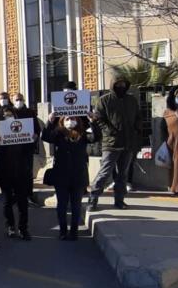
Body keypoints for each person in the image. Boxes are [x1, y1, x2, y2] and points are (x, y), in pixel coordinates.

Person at [42, 112, 100, 239]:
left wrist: (93, 122)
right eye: (67, 118)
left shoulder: (83, 134)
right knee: (62, 206)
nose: (70, 121)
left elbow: (96, 137)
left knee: (76, 206)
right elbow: (45, 137)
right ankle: (63, 231)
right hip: (61, 176)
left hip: (78, 176)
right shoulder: (58, 134)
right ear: (62, 121)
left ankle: (74, 231)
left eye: (73, 118)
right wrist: (50, 121)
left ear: (77, 120)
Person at [88, 77, 141, 211]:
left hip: (128, 143)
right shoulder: (104, 100)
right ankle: (92, 200)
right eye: (118, 84)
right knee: (104, 173)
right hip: (111, 143)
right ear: (113, 85)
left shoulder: (131, 100)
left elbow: (138, 116)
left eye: (123, 84)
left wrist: (137, 128)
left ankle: (119, 200)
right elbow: (99, 119)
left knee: (122, 174)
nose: (121, 86)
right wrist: (110, 131)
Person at [0, 106, 35, 240]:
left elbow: (29, 152)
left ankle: (23, 228)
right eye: (5, 116)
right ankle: (10, 226)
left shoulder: (24, 131)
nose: (8, 117)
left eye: (10, 115)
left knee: (23, 203)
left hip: (21, 173)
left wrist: (32, 140)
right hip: (6, 174)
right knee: (7, 202)